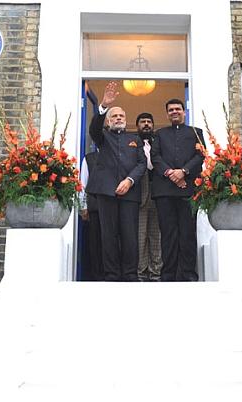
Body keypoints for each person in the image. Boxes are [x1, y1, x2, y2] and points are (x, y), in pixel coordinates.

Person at [87, 81, 147, 281]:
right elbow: (94, 128)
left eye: (121, 115)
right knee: (108, 236)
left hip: (130, 193)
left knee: (130, 237)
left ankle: (130, 275)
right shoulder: (102, 136)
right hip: (106, 193)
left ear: (125, 119)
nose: (118, 118)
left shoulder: (135, 139)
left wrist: (129, 181)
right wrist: (103, 106)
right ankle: (111, 275)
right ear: (109, 121)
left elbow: (142, 163)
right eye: (114, 116)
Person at [151, 99, 204, 282]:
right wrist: (171, 174)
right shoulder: (159, 134)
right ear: (167, 114)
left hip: (188, 190)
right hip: (164, 191)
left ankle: (188, 274)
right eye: (171, 110)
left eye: (177, 109)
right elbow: (155, 157)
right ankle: (168, 275)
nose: (174, 112)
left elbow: (200, 156)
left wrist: (183, 172)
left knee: (188, 233)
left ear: (184, 111)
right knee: (168, 234)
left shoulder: (196, 133)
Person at [135, 112, 162, 282]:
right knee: (140, 235)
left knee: (156, 236)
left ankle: (156, 272)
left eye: (149, 122)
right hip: (138, 194)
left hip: (158, 193)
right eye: (143, 122)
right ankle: (141, 272)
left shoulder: (160, 142)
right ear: (137, 125)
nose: (146, 124)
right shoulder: (131, 143)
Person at [78, 147, 103, 281]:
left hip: (114, 208)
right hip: (95, 208)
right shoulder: (89, 158)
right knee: (95, 243)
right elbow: (83, 184)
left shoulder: (118, 155)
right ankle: (97, 276)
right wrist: (83, 207)